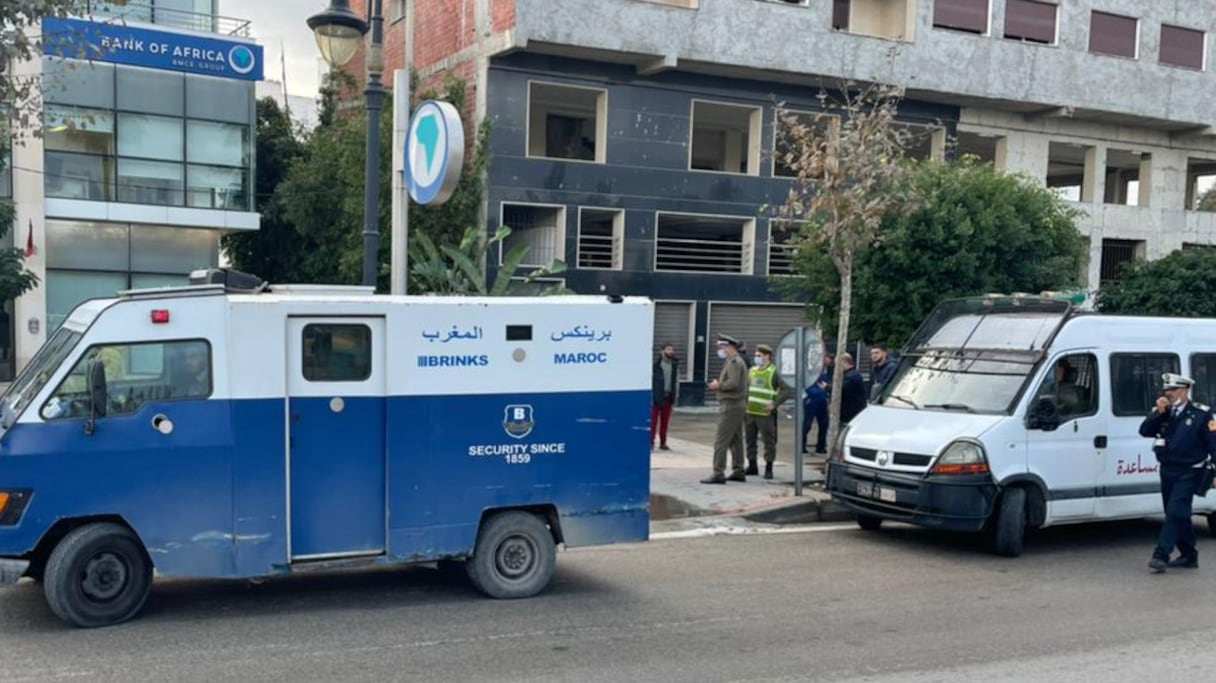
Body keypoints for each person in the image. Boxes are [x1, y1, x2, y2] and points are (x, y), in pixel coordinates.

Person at [1138, 373, 1216, 573]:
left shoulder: (1200, 414)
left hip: (1191, 470)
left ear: (1184, 390)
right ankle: (1189, 555)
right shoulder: (1165, 411)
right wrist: (1159, 413)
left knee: (1175, 512)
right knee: (1177, 513)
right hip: (1168, 470)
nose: (1169, 394)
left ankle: (1161, 554)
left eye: (1173, 390)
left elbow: (1214, 445)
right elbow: (1145, 430)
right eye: (1167, 390)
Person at [702, 334, 749, 485]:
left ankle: (718, 472)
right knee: (735, 440)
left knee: (721, 441)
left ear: (729, 347)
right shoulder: (733, 360)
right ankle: (738, 470)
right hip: (736, 405)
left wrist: (718, 385)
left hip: (731, 405)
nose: (719, 350)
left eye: (721, 347)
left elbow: (733, 383)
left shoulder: (734, 362)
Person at [744, 344, 793, 479]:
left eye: (759, 356)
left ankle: (768, 468)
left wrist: (775, 404)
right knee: (750, 440)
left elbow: (786, 390)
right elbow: (747, 388)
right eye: (755, 355)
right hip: (750, 411)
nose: (756, 358)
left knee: (769, 442)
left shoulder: (774, 371)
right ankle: (752, 465)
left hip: (765, 414)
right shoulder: (752, 371)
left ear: (767, 356)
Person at [651, 344, 680, 451]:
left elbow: (676, 381)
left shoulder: (674, 365)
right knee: (653, 422)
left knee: (665, 422)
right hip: (657, 397)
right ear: (662, 351)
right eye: (668, 349)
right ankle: (651, 442)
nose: (671, 352)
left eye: (672, 349)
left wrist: (675, 395)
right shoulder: (656, 366)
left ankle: (663, 443)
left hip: (669, 397)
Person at [803, 353, 833, 455]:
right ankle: (801, 446)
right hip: (811, 399)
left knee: (824, 424)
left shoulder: (827, 371)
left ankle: (821, 446)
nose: (830, 360)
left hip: (822, 400)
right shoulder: (813, 370)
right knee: (807, 424)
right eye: (828, 357)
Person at [839, 353, 868, 424]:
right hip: (853, 413)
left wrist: (827, 387)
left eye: (838, 364)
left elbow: (842, 391)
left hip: (851, 414)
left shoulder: (851, 376)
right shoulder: (853, 374)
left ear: (844, 362)